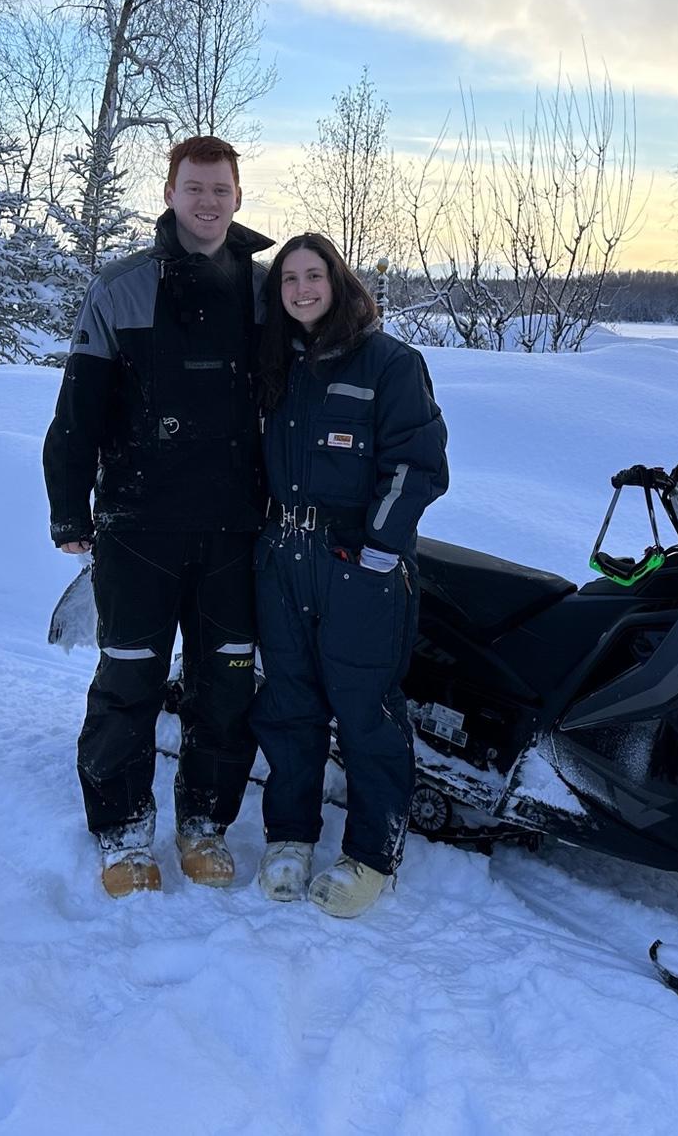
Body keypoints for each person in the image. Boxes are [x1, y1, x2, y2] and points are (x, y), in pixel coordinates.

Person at [43, 136, 271, 899]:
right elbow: (76, 412)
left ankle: (204, 824)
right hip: (138, 526)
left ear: (238, 196)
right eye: (194, 188)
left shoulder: (268, 290)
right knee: (131, 681)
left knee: (226, 683)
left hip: (237, 528)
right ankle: (122, 831)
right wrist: (68, 507)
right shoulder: (122, 289)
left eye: (221, 189)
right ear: (170, 193)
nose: (208, 202)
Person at [251, 233, 448, 917]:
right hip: (282, 558)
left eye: (314, 276)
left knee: (366, 712)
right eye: (288, 280)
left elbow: (417, 464)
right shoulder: (274, 363)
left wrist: (381, 550)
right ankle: (290, 837)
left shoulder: (389, 363)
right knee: (289, 704)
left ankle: (371, 854)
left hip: (357, 565)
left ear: (339, 282)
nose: (302, 290)